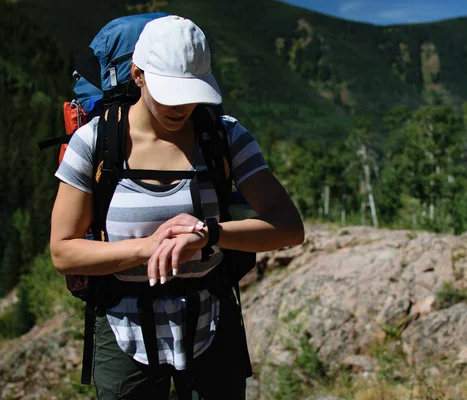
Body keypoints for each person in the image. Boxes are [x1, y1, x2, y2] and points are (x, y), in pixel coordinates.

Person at [49, 15, 304, 399]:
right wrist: (147, 247)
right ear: (137, 75)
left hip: (212, 320)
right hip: (122, 326)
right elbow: (63, 252)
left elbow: (289, 227)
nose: (181, 105)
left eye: (191, 91)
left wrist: (209, 235)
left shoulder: (225, 136)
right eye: (169, 91)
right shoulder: (96, 142)